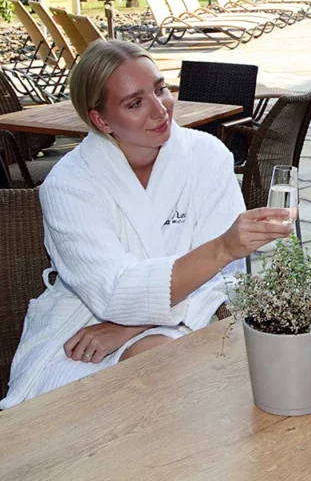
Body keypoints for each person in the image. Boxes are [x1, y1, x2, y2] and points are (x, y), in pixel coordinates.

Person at [1, 40, 292, 409]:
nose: (160, 110)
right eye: (135, 103)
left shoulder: (206, 156)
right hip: (84, 321)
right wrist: (221, 248)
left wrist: (131, 326)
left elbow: (225, 276)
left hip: (193, 310)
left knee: (164, 365)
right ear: (101, 120)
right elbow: (111, 293)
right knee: (98, 404)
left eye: (160, 89)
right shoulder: (70, 184)